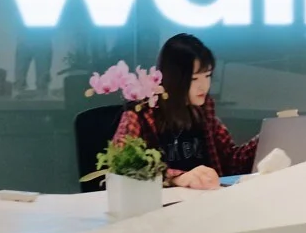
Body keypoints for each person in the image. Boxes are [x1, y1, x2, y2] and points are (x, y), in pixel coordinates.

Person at [108, 33, 257, 190]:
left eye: (207, 76)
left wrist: (268, 139)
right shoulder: (141, 113)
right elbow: (122, 165)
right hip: (160, 205)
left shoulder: (202, 112)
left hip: (206, 201)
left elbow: (232, 162)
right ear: (174, 78)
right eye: (194, 79)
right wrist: (176, 177)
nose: (204, 86)